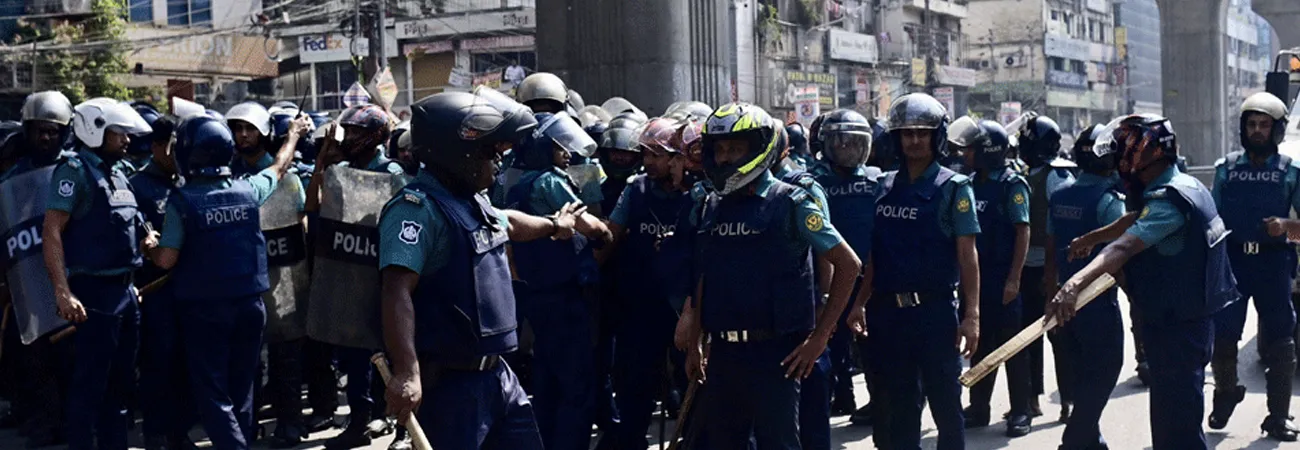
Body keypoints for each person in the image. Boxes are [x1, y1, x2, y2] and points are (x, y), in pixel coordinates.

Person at [379, 90, 579, 450]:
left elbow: (511, 223)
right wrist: (407, 371)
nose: (497, 160)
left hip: (498, 375)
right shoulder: (417, 209)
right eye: (489, 151)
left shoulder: (472, 202)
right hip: (452, 387)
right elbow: (396, 290)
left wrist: (554, 224)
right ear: (458, 154)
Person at [675, 102, 862, 449]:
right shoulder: (711, 206)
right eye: (720, 149)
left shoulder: (791, 202)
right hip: (724, 355)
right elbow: (705, 276)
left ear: (758, 149)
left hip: (777, 355)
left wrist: (820, 338)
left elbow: (848, 264)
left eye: (736, 148)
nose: (726, 157)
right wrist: (697, 342)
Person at [1048, 114, 1237, 450]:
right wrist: (1092, 238)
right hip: (1185, 322)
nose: (1118, 161)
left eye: (1122, 151)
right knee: (1174, 422)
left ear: (1143, 153)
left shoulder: (1168, 201)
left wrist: (1073, 284)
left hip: (1177, 331)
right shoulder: (1184, 187)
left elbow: (1124, 246)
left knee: (1176, 433)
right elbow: (1136, 218)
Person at [144, 114, 308, 450]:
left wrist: (149, 247)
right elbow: (279, 167)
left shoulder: (182, 202)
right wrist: (292, 136)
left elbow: (166, 260)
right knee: (242, 389)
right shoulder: (248, 190)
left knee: (213, 393)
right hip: (250, 306)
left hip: (205, 312)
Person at [845, 93, 980, 450]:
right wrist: (860, 302)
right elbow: (876, 254)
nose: (915, 140)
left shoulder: (954, 187)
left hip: (934, 314)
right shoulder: (884, 186)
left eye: (923, 133)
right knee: (900, 408)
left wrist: (972, 316)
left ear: (937, 137)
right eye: (907, 133)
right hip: (889, 315)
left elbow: (967, 256)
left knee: (946, 405)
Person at [44, 98, 155, 450]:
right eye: (118, 132)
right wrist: (63, 291)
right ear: (94, 130)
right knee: (90, 387)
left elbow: (133, 224)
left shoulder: (120, 173)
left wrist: (147, 237)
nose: (126, 139)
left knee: (120, 387)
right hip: (94, 293)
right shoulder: (74, 172)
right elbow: (52, 231)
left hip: (125, 293)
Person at [505, 109, 611, 450]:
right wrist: (604, 234)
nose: (566, 152)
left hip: (536, 293)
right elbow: (588, 224)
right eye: (558, 146)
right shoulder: (550, 182)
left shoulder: (512, 182)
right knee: (577, 385)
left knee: (547, 380)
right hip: (566, 296)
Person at [305, 103, 405, 449]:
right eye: (347, 132)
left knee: (391, 352)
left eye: (356, 133)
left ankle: (399, 427)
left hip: (383, 273)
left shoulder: (391, 172)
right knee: (355, 354)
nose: (348, 138)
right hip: (350, 274)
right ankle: (359, 421)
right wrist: (323, 162)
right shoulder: (342, 171)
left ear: (375, 136)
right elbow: (313, 206)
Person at [1206, 92, 1299, 440]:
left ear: (1277, 129)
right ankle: (1226, 392)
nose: (1257, 130)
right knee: (1223, 335)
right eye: (1251, 124)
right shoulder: (1226, 169)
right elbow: (1210, 219)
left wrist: (1286, 226)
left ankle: (1278, 416)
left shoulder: (1291, 172)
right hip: (1233, 263)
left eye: (1264, 125)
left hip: (1274, 264)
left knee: (1280, 339)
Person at [604, 116, 695, 450]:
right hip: (641, 308)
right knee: (635, 391)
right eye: (646, 154)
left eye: (658, 155)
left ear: (678, 158)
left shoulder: (699, 193)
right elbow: (611, 235)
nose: (649, 161)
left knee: (693, 388)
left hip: (685, 309)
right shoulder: (636, 189)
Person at [1043, 123, 1127, 450]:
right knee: (1105, 371)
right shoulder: (1109, 201)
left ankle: (1092, 441)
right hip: (1098, 305)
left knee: (1082, 378)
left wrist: (1050, 297)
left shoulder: (1059, 197)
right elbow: (1124, 253)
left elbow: (1051, 251)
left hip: (1063, 303)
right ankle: (1074, 441)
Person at [1, 91, 77, 449]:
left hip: (71, 279)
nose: (45, 137)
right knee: (36, 358)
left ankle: (71, 422)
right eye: (38, 131)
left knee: (72, 358)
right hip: (30, 281)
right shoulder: (12, 179)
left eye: (52, 131)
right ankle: (43, 422)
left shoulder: (76, 170)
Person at [125, 112, 197, 450]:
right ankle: (155, 433)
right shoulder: (137, 186)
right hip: (156, 291)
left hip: (190, 288)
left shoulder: (188, 180)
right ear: (156, 147)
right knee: (158, 362)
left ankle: (179, 433)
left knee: (186, 363)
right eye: (171, 146)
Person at [958, 119, 1034, 437]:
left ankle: (1021, 411)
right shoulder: (968, 183)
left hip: (1003, 279)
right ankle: (979, 408)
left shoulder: (1011, 185)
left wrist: (1014, 279)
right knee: (980, 345)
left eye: (971, 149)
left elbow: (1023, 231)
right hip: (976, 280)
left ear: (988, 151)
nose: (965, 154)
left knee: (1012, 346)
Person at [808, 110, 878, 445]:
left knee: (872, 342)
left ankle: (878, 399)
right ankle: (842, 394)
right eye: (842, 142)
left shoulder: (876, 181)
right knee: (831, 340)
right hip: (833, 275)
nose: (849, 149)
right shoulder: (815, 182)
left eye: (855, 142)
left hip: (870, 276)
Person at [1017, 114, 1075, 418]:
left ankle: (1068, 400)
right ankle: (1032, 399)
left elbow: (1065, 221)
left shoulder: (1056, 176)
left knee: (1060, 336)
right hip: (1026, 268)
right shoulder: (1028, 174)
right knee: (1030, 336)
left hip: (1051, 268)